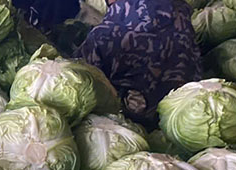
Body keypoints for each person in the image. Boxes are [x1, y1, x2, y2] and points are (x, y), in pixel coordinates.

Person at [78, 0, 202, 128]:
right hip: (187, 110)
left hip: (137, 119)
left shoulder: (102, 35)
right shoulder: (180, 7)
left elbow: (84, 81)